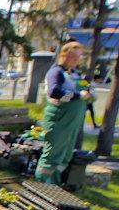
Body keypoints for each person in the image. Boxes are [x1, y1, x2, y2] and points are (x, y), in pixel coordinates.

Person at [35, 40, 93, 184]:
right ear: (65, 56)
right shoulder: (56, 72)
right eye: (74, 57)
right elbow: (53, 91)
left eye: (79, 57)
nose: (77, 60)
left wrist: (90, 92)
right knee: (53, 155)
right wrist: (77, 96)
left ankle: (55, 182)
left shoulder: (75, 74)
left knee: (65, 155)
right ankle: (43, 184)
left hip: (72, 123)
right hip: (59, 120)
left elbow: (86, 87)